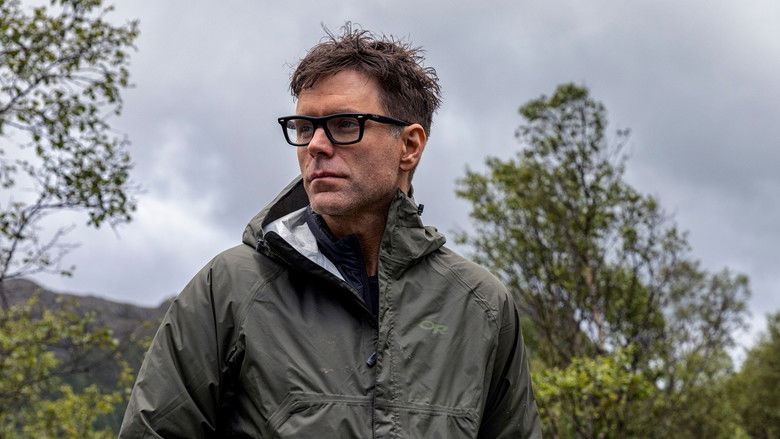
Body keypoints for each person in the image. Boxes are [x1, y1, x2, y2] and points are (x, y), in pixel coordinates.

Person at [119, 25, 541, 438]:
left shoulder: (480, 305)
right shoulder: (230, 287)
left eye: (344, 124)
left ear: (409, 146)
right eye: (305, 128)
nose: (316, 145)